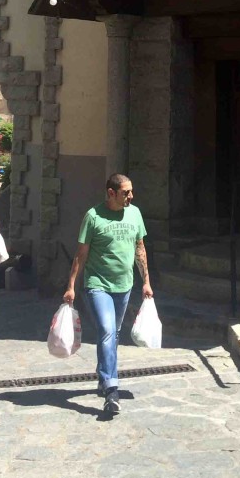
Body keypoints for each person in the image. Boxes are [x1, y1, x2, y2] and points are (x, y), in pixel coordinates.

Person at [64, 173, 152, 417]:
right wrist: (71, 285)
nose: (131, 196)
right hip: (97, 284)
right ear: (111, 193)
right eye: (126, 192)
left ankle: (103, 373)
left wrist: (146, 282)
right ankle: (111, 388)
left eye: (131, 191)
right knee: (106, 330)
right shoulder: (93, 217)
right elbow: (81, 254)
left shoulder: (134, 214)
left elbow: (140, 248)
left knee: (113, 334)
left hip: (124, 285)